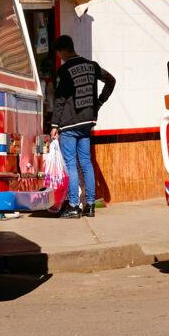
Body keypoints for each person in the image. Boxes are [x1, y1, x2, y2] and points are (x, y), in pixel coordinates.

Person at [48, 36, 116, 218]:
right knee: (86, 163)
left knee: (71, 163)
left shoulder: (64, 70)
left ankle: (73, 205)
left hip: (69, 123)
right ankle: (90, 205)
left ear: (62, 52)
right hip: (87, 122)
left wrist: (54, 124)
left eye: (59, 54)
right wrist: (99, 102)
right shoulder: (92, 66)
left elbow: (60, 99)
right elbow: (111, 80)